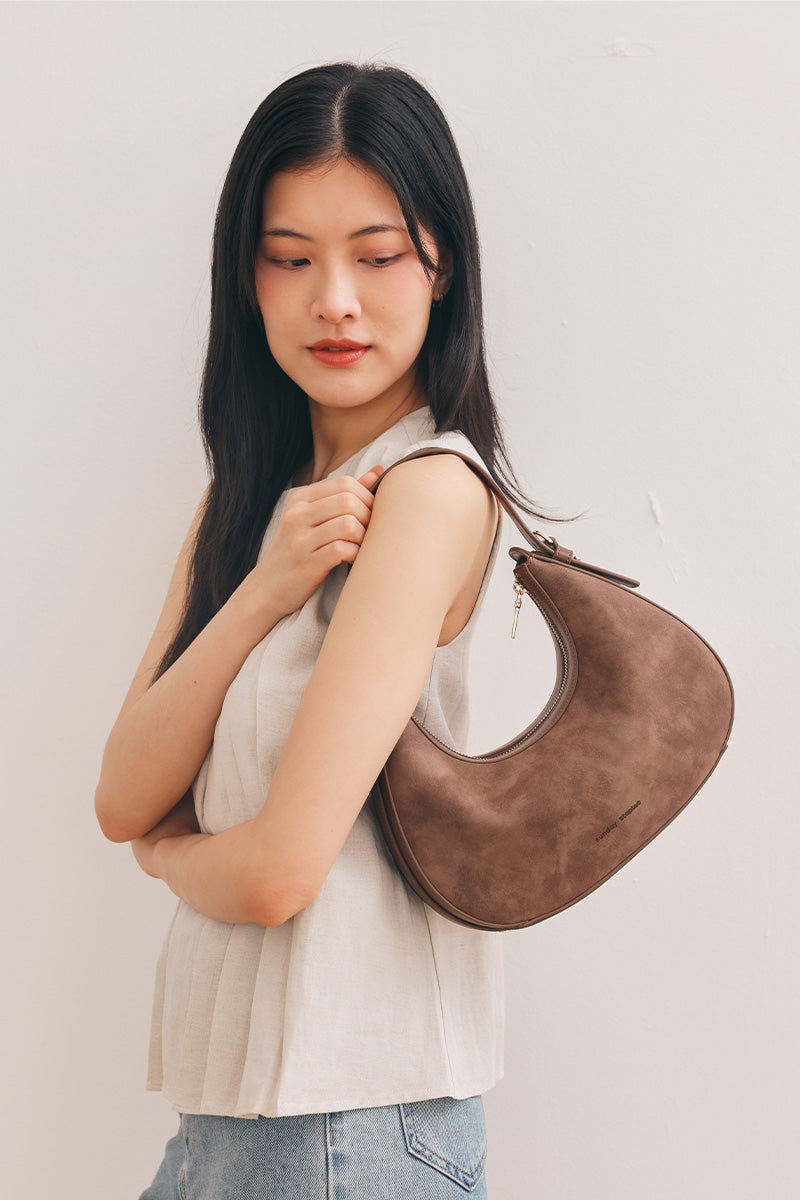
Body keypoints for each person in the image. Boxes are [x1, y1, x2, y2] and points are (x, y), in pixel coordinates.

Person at [95, 60, 552, 1200]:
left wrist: (172, 855)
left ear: (442, 264)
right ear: (245, 277)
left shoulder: (429, 490)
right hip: (238, 1121)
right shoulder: (248, 498)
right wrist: (264, 585)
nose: (333, 300)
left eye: (377, 255)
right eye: (290, 258)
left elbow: (276, 874)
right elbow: (122, 792)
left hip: (347, 1121)